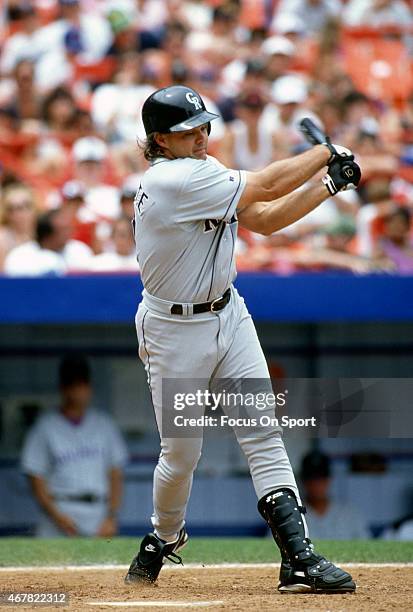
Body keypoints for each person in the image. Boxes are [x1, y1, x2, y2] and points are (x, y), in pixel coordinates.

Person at [124, 85, 360, 593]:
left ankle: (300, 558)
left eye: (204, 125)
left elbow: (267, 219)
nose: (202, 136)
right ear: (160, 140)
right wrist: (325, 151)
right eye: (188, 131)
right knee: (183, 452)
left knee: (262, 431)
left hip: (229, 315)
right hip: (174, 329)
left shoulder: (203, 172)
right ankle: (163, 536)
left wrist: (327, 184)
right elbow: (271, 183)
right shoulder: (172, 179)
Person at [21, 354, 128, 537]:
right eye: (72, 386)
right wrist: (57, 516)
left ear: (89, 387)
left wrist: (112, 516)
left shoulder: (104, 424)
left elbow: (116, 474)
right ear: (63, 388)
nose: (77, 392)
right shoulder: (45, 426)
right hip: (59, 512)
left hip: (98, 512)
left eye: (82, 385)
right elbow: (35, 477)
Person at [299, 450, 369, 540]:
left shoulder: (349, 513)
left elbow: (365, 545)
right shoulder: (295, 514)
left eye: (321, 478)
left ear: (329, 479)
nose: (317, 484)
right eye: (312, 478)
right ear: (303, 480)